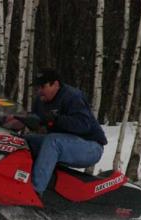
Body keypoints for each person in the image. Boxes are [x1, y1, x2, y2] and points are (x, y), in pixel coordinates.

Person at [26, 68, 107, 196]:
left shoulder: (72, 96)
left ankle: (34, 192)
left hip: (90, 146)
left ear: (56, 84)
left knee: (52, 141)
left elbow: (83, 125)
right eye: (37, 87)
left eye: (42, 86)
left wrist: (56, 119)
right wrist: (10, 117)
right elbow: (34, 120)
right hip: (66, 142)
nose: (39, 91)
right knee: (26, 140)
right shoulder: (41, 100)